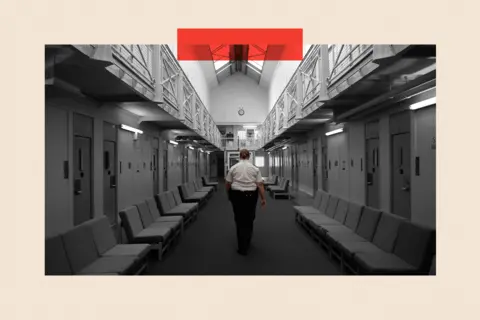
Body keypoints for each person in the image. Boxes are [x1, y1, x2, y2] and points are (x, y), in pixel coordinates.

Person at [225, 149, 266, 255]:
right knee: (249, 218)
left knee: (239, 220)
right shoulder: (255, 169)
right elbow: (260, 185)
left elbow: (228, 183)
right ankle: (247, 241)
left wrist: (229, 195)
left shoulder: (233, 168)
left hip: (237, 196)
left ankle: (242, 247)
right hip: (251, 196)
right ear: (249, 156)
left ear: (240, 156)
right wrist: (263, 198)